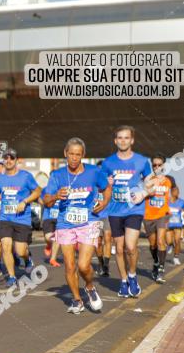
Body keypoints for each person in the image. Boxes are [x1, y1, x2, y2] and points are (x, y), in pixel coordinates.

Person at [43, 138, 111, 314]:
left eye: (78, 154)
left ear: (83, 155)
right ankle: (77, 299)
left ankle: (89, 287)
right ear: (65, 153)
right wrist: (56, 196)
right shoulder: (57, 175)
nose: (74, 158)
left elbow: (107, 188)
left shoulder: (94, 172)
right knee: (70, 266)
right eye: (71, 154)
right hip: (65, 223)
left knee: (83, 265)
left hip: (89, 222)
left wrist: (104, 203)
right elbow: (46, 201)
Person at [101, 126, 151, 299]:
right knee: (119, 249)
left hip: (134, 209)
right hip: (115, 210)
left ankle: (132, 275)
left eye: (126, 138)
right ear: (115, 141)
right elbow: (100, 186)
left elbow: (150, 183)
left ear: (132, 140)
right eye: (120, 138)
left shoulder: (142, 161)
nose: (123, 141)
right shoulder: (108, 163)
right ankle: (123, 281)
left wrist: (142, 193)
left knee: (131, 246)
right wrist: (105, 184)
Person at [0, 148, 41, 287]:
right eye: (6, 158)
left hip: (22, 219)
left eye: (11, 158)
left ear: (16, 160)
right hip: (5, 218)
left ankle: (27, 258)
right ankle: (12, 277)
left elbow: (37, 191)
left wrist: (24, 202)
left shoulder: (26, 176)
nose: (9, 160)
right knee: (5, 246)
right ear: (4, 161)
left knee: (20, 251)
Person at [142, 154, 176, 283]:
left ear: (164, 166)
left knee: (161, 241)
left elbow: (174, 190)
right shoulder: (147, 179)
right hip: (148, 215)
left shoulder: (169, 180)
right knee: (152, 244)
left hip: (162, 214)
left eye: (159, 165)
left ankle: (161, 269)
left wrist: (172, 200)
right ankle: (156, 262)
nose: (156, 167)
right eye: (154, 165)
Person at [168, 192, 184, 266]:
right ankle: (170, 245)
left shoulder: (182, 202)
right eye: (174, 191)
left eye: (177, 191)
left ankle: (176, 257)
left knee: (177, 241)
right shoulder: (167, 201)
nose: (176, 193)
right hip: (168, 224)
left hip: (178, 224)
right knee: (169, 241)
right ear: (171, 192)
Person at [42, 200, 61, 267]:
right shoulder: (47, 189)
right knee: (48, 237)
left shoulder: (67, 189)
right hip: (48, 217)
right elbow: (41, 199)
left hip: (60, 218)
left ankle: (53, 259)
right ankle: (49, 245)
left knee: (57, 237)